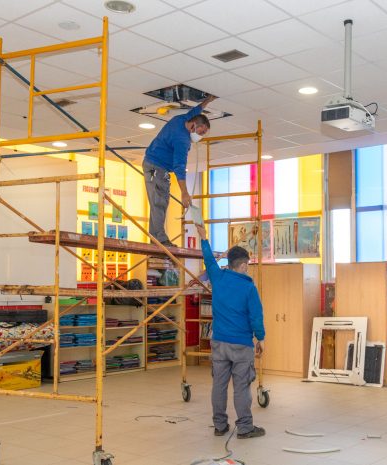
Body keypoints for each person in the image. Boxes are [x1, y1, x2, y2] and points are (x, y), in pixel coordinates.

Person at [195, 223, 266, 438]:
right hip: (241, 344)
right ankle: (244, 428)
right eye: (248, 264)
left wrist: (204, 238)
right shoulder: (249, 288)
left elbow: (208, 260)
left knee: (219, 385)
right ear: (243, 265)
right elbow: (256, 316)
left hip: (218, 342)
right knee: (242, 387)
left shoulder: (218, 278)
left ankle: (220, 426)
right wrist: (260, 339)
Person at [143, 95, 216, 247]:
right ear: (194, 126)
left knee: (158, 201)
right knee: (159, 203)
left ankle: (154, 237)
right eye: (201, 132)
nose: (200, 136)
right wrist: (184, 192)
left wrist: (206, 102)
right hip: (156, 167)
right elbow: (179, 167)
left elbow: (195, 111)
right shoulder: (181, 140)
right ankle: (160, 239)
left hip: (154, 165)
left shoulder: (181, 120)